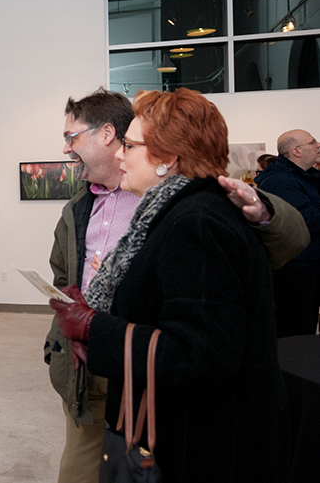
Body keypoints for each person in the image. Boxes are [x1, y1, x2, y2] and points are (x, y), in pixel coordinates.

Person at [44, 89, 306, 483]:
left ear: (167, 158)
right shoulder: (174, 210)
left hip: (201, 441)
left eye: (129, 145)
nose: (120, 154)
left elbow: (200, 353)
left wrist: (95, 328)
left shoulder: (196, 221)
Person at [256, 130, 320, 337]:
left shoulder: (305, 177)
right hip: (296, 269)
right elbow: (306, 220)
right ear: (296, 151)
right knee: (296, 332)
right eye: (313, 142)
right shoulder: (280, 181)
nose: (318, 145)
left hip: (307, 265)